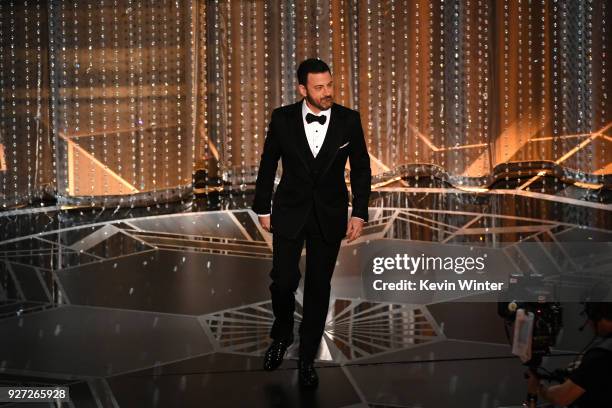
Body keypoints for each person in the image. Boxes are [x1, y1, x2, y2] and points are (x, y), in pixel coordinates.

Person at [251, 58, 371, 387]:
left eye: (330, 85)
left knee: (319, 288)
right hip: (289, 211)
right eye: (319, 87)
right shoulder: (282, 118)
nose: (327, 92)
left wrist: (359, 212)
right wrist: (263, 207)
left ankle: (307, 358)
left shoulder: (348, 120)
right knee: (283, 280)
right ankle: (281, 335)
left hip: (329, 215)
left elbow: (360, 168)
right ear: (302, 89)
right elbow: (267, 163)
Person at [527, 302, 612, 407]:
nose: (589, 323)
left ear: (598, 317)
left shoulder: (600, 355)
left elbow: (560, 398)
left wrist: (539, 387)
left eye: (590, 318)